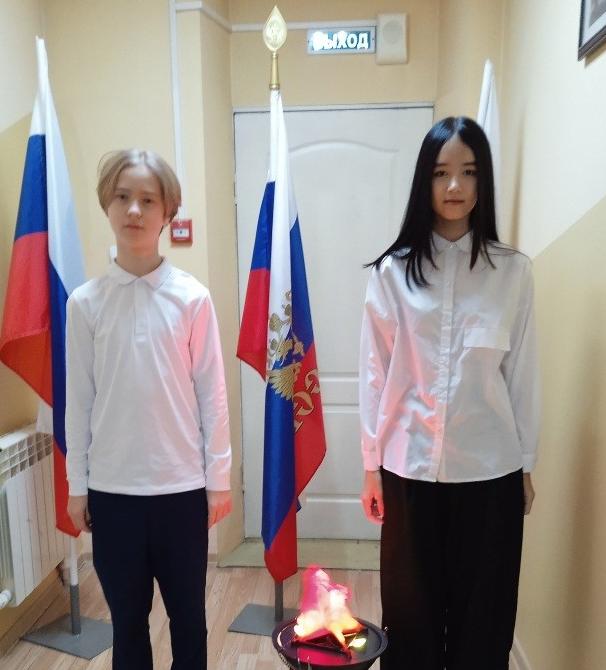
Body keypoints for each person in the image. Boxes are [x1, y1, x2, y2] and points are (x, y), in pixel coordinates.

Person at [359, 117, 540, 670]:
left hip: (490, 473)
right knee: (409, 624)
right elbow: (374, 375)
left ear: (484, 181)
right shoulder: (392, 273)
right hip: (408, 470)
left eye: (469, 172)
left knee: (482, 626)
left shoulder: (513, 273)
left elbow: (522, 375)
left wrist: (526, 465)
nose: (455, 186)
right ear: (425, 181)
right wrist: (370, 467)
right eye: (441, 173)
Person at [65, 149, 232, 670]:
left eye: (147, 200)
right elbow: (79, 401)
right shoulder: (85, 303)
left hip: (180, 490)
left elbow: (212, 394)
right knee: (128, 623)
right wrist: (76, 485)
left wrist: (218, 479)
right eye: (122, 197)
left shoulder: (191, 299)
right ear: (106, 205)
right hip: (113, 493)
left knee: (188, 620)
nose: (133, 210)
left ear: (168, 212)